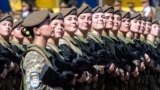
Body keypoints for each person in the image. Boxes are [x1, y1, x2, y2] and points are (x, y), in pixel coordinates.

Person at [21, 10, 59, 90]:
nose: (52, 26)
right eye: (48, 23)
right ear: (36, 31)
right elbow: (34, 88)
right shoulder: (34, 56)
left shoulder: (44, 52)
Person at [0, 15, 19, 90]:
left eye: (10, 25)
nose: (7, 27)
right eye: (4, 24)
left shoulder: (10, 46)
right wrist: (9, 65)